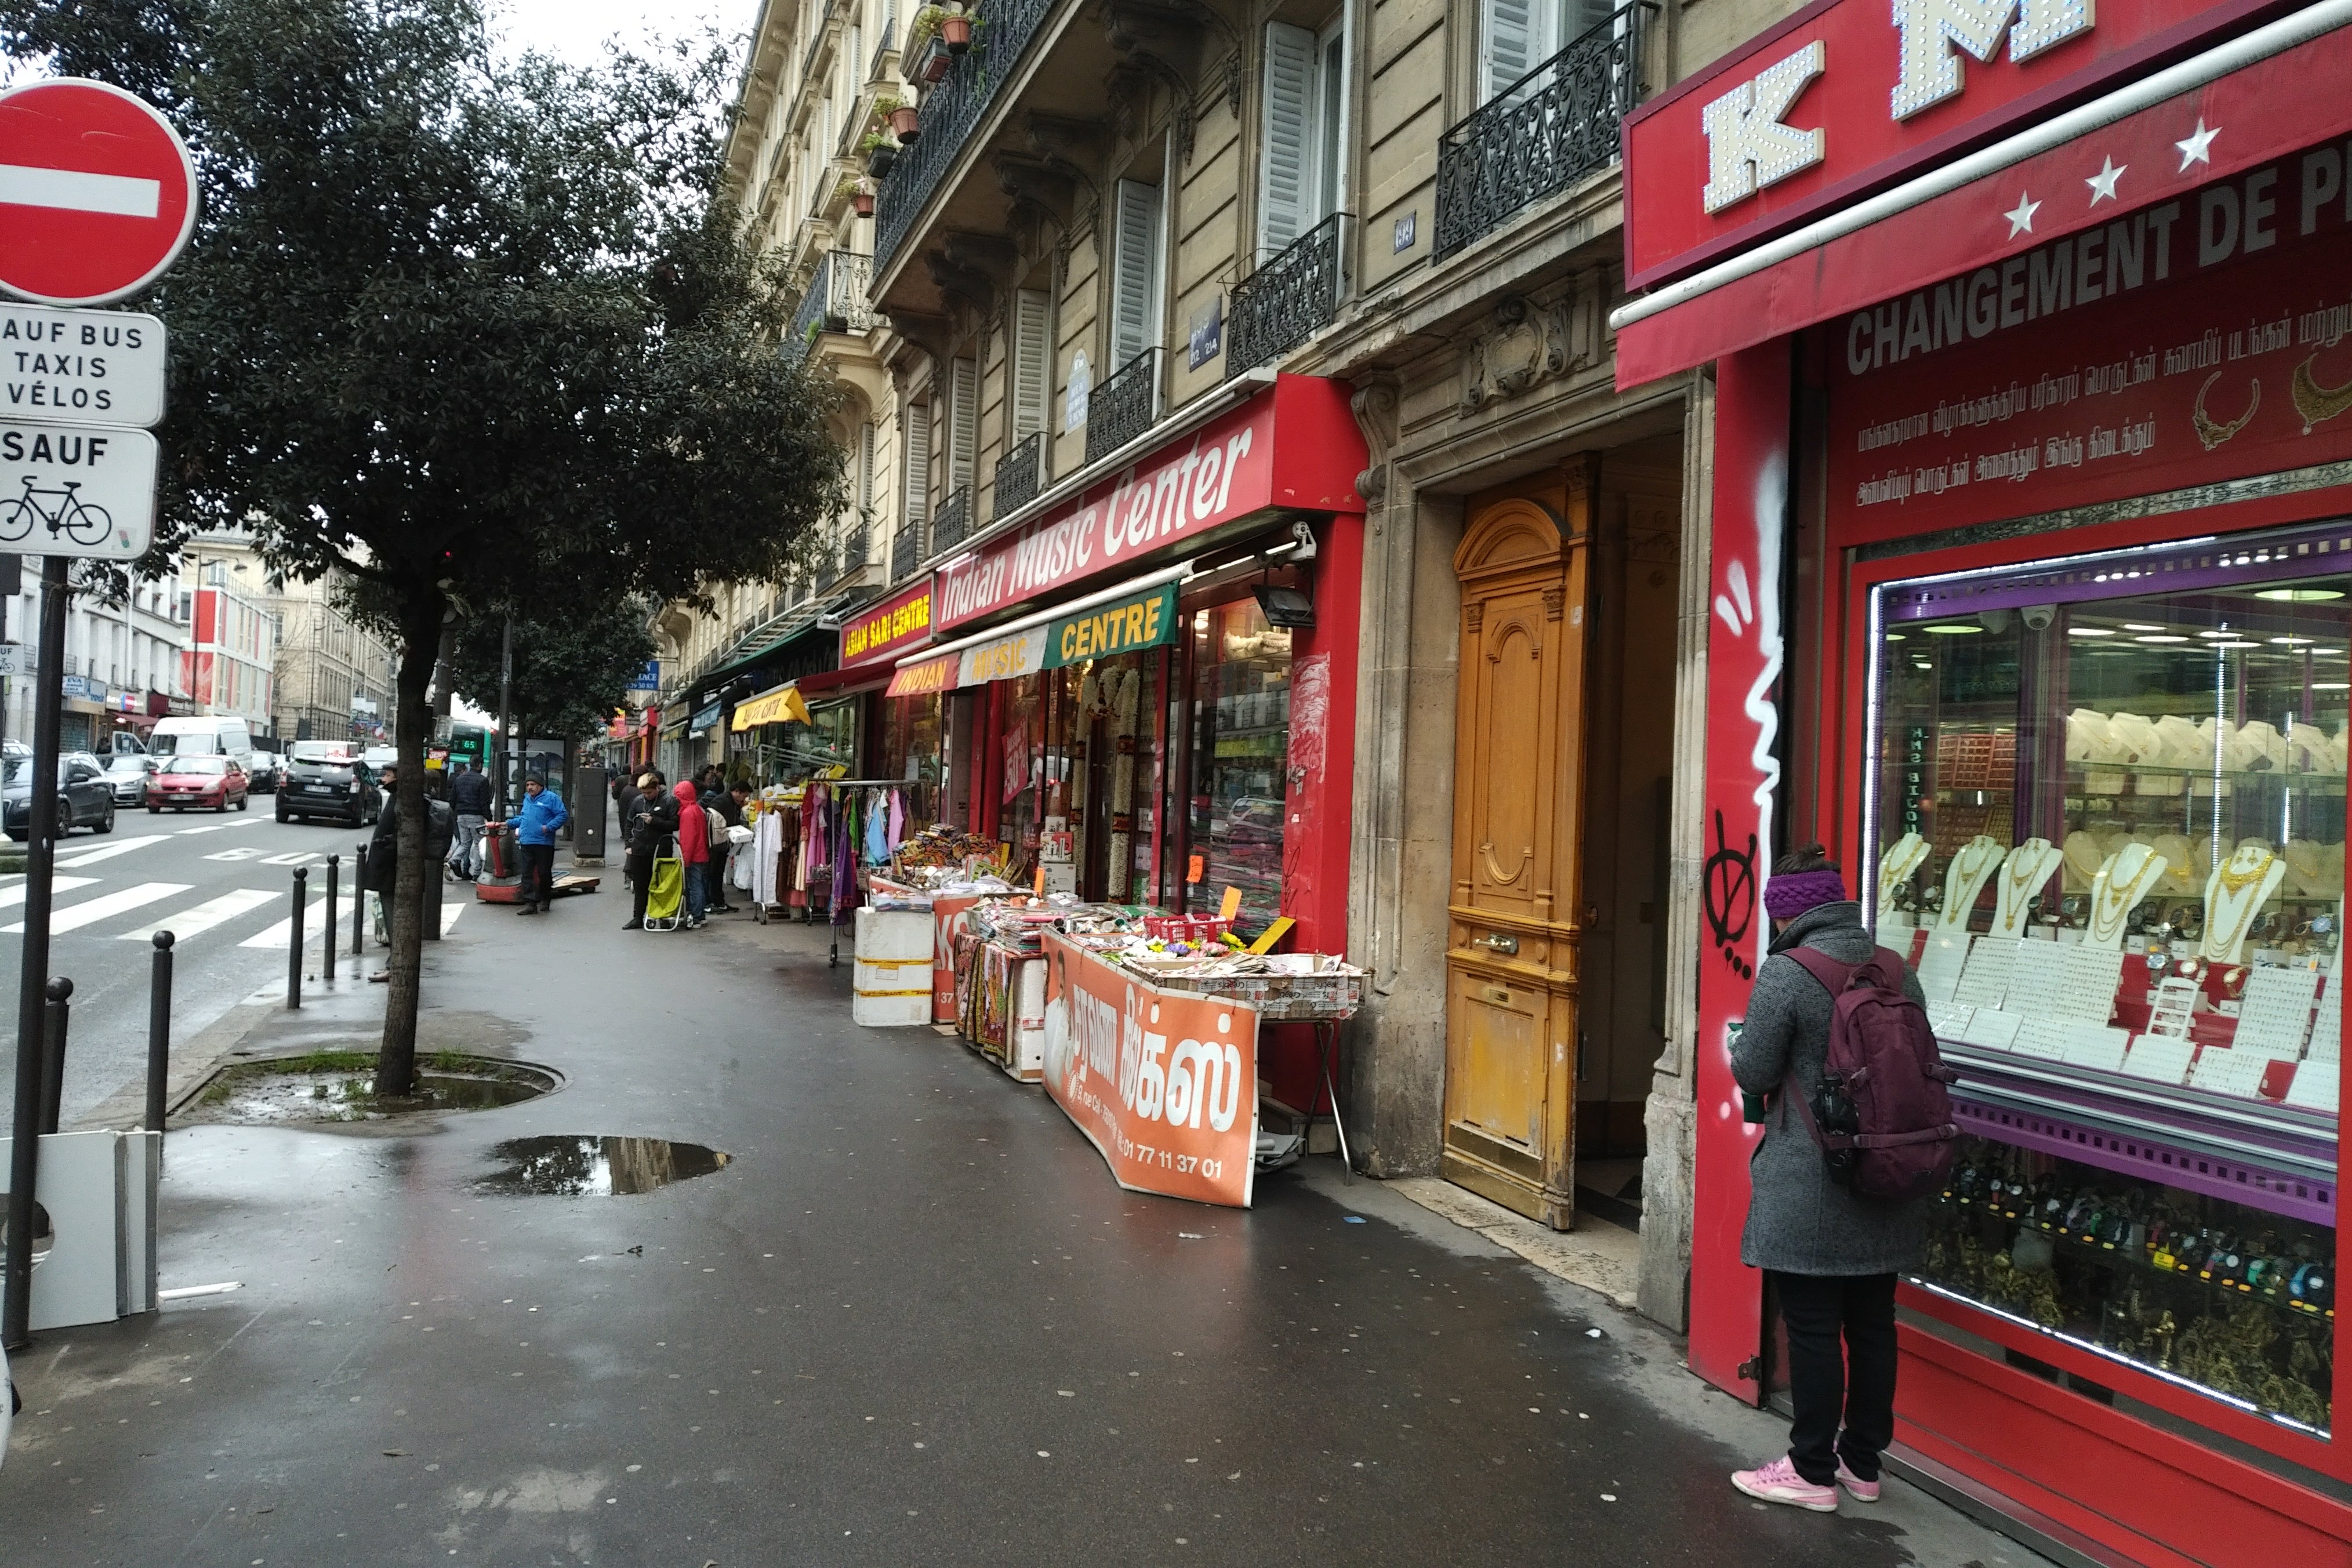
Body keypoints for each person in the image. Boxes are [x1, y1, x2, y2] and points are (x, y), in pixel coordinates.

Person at [1728, 844, 1930, 1514]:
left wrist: (1740, 1045)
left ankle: (1810, 1469)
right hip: (1889, 1171)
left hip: (1812, 1181)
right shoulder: (1896, 968)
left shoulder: (1788, 972)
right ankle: (1861, 1463)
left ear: (1786, 914)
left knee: (1813, 1326)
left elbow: (1755, 1070)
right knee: (1873, 1322)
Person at [505, 775, 570, 915]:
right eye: (528, 785)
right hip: (526, 841)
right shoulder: (527, 799)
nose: (530, 787)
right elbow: (524, 818)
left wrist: (548, 828)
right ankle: (530, 903)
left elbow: (562, 815)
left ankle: (545, 899)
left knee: (544, 873)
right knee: (526, 874)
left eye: (533, 784)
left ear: (541, 786)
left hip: (543, 843)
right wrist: (508, 824)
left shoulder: (551, 798)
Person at [623, 772, 676, 930]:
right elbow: (629, 823)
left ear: (657, 788)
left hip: (661, 849)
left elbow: (675, 824)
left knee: (661, 885)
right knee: (640, 886)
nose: (646, 796)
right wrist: (629, 844)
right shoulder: (638, 801)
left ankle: (663, 916)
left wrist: (654, 821)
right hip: (640, 849)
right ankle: (638, 917)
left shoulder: (669, 801)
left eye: (649, 792)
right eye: (644, 793)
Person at [673, 777, 710, 929]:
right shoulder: (697, 809)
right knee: (699, 884)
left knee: (694, 886)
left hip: (694, 855)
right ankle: (701, 915)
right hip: (701, 853)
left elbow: (688, 840)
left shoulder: (687, 813)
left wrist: (685, 860)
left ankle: (696, 916)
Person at [446, 761, 492, 881]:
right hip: (476, 816)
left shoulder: (459, 779)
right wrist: (489, 818)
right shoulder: (483, 780)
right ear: (480, 765)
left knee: (464, 844)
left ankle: (452, 862)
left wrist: (456, 813)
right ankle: (476, 874)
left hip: (461, 816)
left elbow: (452, 799)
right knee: (478, 843)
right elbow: (484, 802)